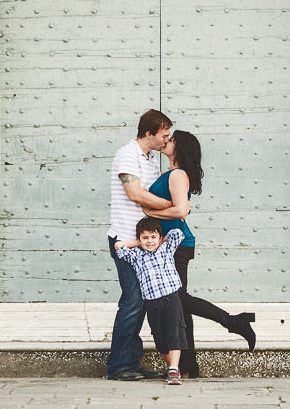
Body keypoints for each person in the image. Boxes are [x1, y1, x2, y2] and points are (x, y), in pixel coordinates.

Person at [148, 129, 256, 378]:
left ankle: (233, 322)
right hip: (173, 244)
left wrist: (151, 213)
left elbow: (181, 211)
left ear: (180, 147)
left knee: (176, 299)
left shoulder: (177, 174)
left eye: (171, 139)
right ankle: (189, 365)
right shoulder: (170, 173)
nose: (167, 141)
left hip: (176, 243)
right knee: (180, 305)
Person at [107, 108, 178, 381]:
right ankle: (119, 367)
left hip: (144, 244)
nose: (166, 140)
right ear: (149, 133)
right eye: (164, 135)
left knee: (140, 304)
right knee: (132, 303)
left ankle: (131, 362)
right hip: (126, 241)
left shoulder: (149, 159)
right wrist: (173, 207)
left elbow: (156, 189)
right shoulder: (128, 154)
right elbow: (135, 193)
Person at [115, 219, 187, 385]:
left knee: (174, 331)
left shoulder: (166, 249)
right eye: (145, 238)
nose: (149, 241)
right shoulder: (137, 256)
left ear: (159, 237)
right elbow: (118, 246)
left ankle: (174, 370)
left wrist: (161, 239)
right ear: (140, 239)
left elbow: (176, 234)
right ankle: (173, 370)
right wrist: (137, 243)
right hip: (152, 303)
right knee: (160, 338)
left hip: (171, 298)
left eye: (153, 237)